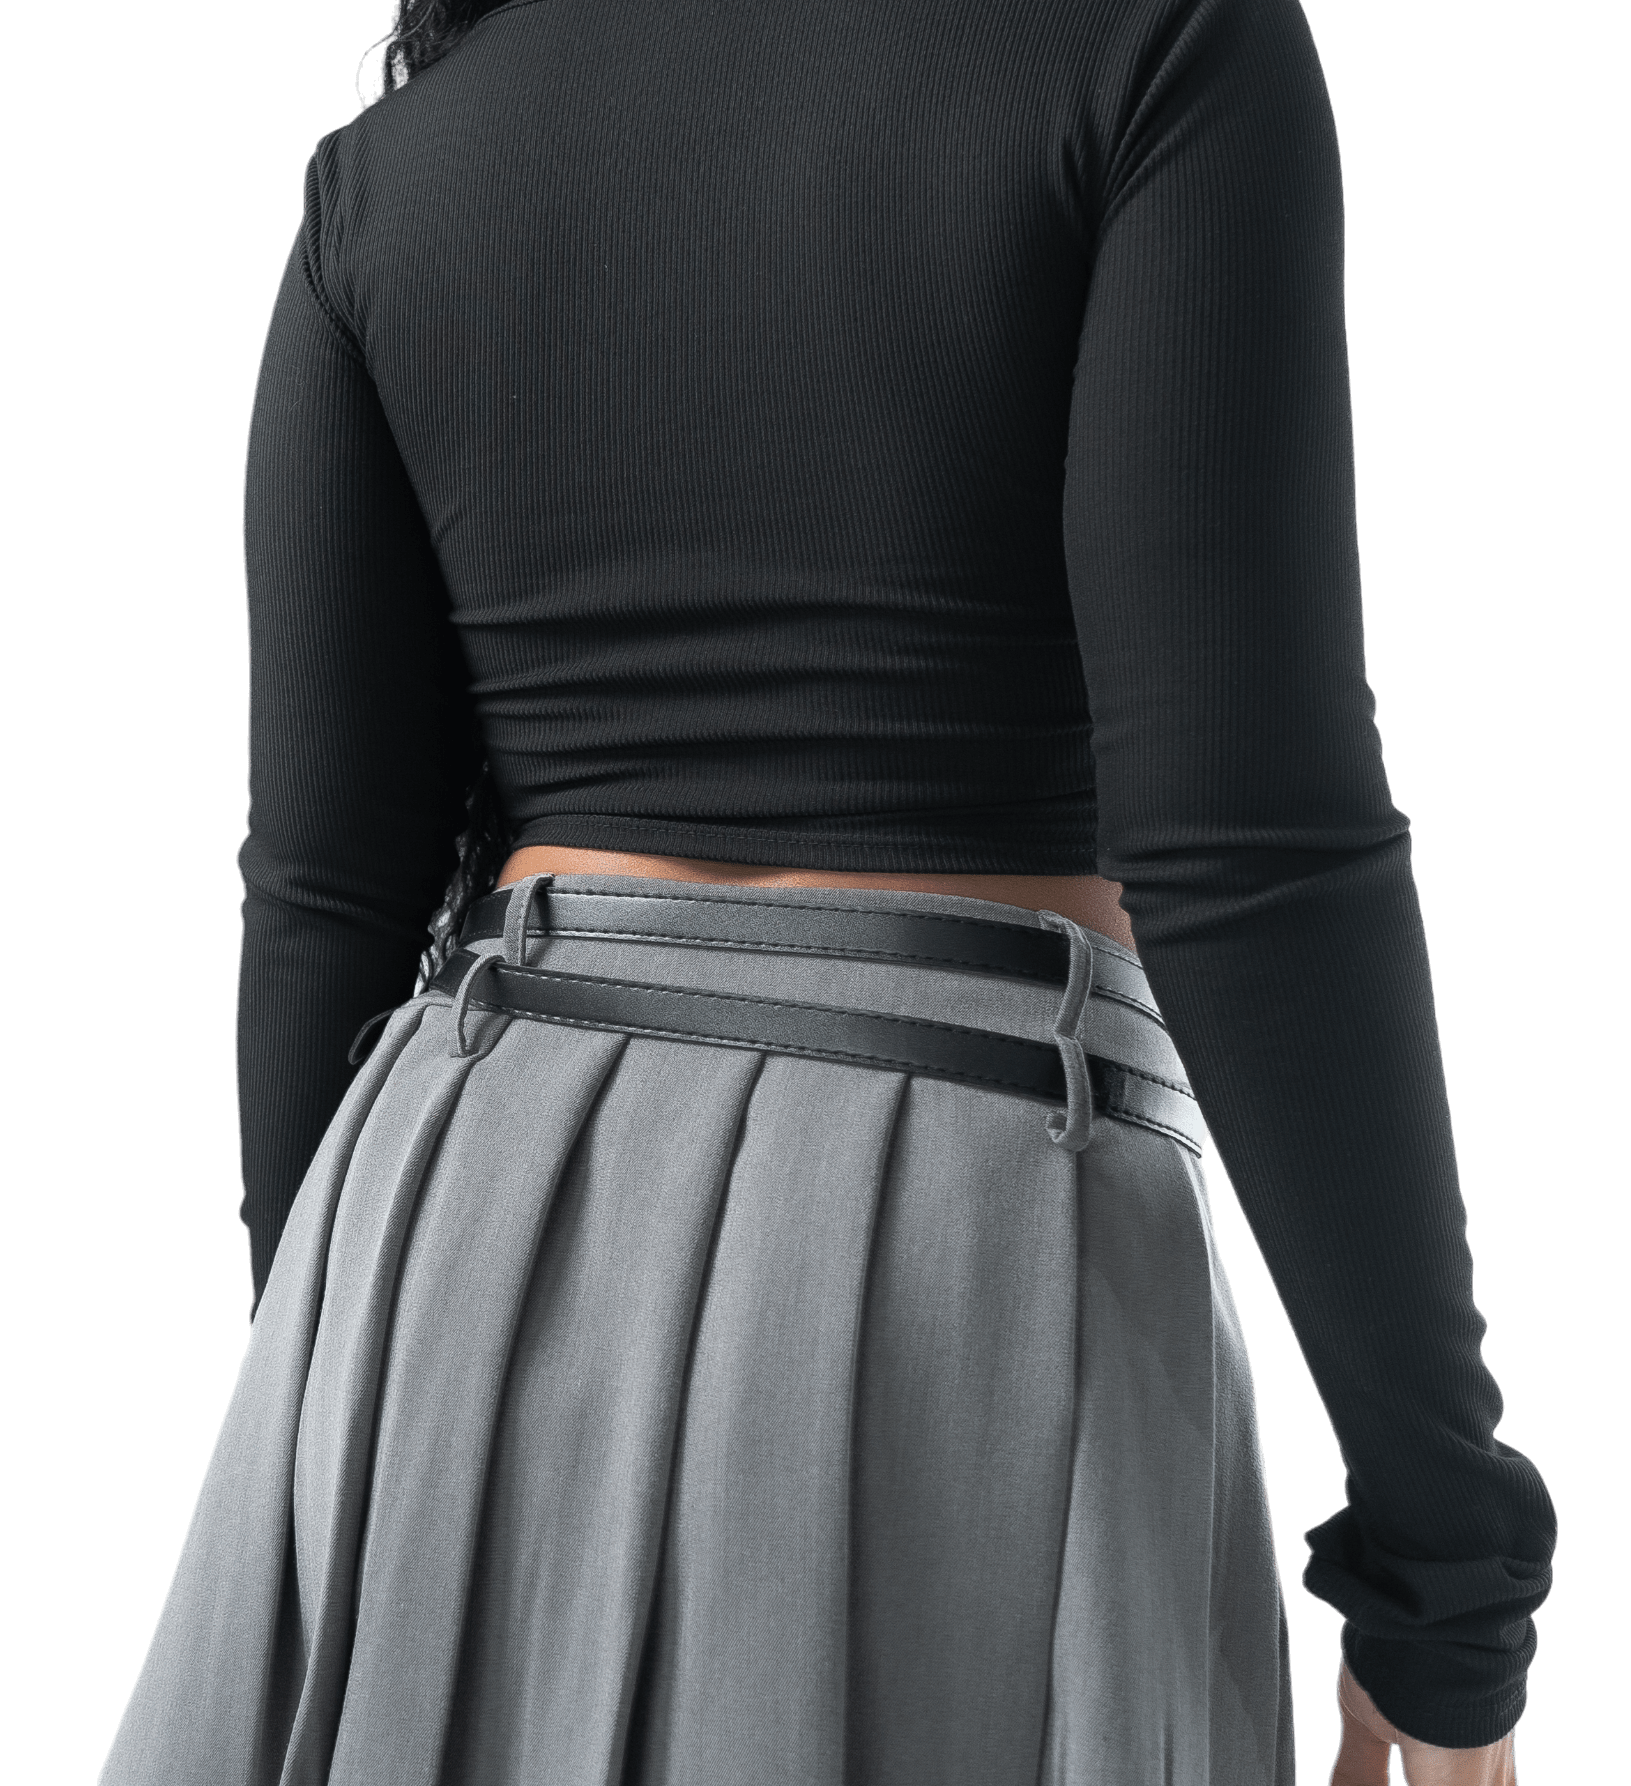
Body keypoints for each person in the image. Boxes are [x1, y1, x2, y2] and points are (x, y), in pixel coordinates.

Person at [100, 0, 1554, 1780]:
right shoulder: (1149, 44)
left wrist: (332, 1409)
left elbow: (321, 901)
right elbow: (1246, 847)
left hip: (444, 1248)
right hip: (969, 1256)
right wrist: (1447, 1585)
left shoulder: (396, 167)